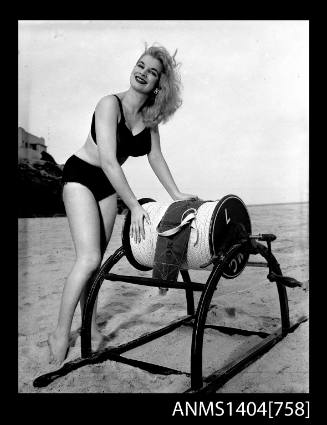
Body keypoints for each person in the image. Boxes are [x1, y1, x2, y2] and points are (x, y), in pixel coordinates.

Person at [47, 44, 199, 365]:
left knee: (96, 262)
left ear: (159, 84)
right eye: (140, 65)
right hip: (82, 176)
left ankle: (88, 323)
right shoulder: (109, 105)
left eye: (152, 71)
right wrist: (134, 205)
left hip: (107, 185)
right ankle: (60, 332)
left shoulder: (149, 117)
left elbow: (155, 157)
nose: (143, 72)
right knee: (87, 259)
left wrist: (176, 194)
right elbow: (107, 159)